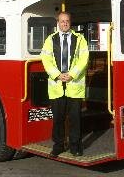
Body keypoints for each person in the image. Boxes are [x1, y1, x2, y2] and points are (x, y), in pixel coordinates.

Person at [41, 11, 89, 157]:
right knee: (58, 119)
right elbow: (45, 59)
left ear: (70, 22)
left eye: (67, 21)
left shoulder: (80, 39)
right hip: (57, 86)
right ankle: (58, 145)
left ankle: (75, 146)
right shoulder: (50, 39)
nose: (65, 23)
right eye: (62, 21)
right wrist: (57, 75)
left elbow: (84, 58)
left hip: (74, 86)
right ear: (58, 23)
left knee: (75, 119)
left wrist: (72, 74)